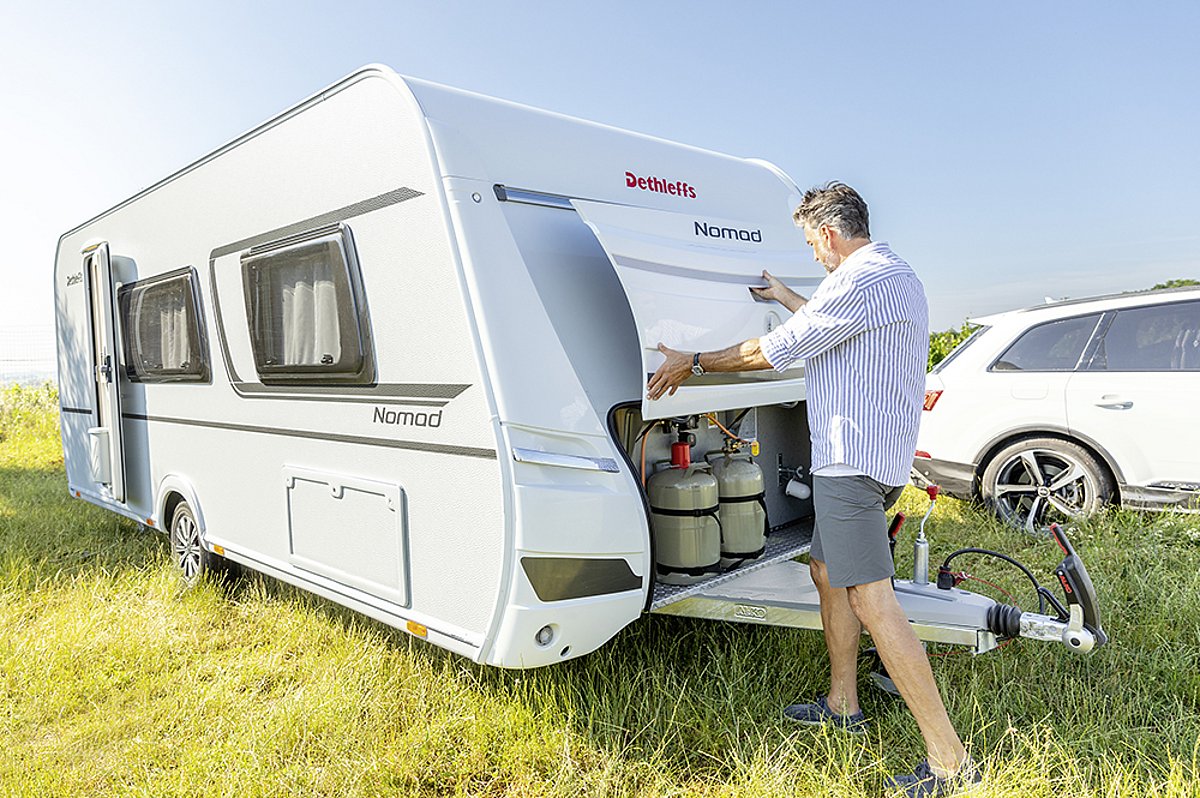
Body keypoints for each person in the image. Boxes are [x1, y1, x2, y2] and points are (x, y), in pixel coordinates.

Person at [647, 182, 980, 796]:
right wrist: (785, 295)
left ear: (828, 232)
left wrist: (691, 361)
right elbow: (830, 323)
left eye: (812, 244)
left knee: (872, 599)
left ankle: (949, 761)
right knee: (827, 574)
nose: (816, 255)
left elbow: (775, 350)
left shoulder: (859, 280)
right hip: (871, 457)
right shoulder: (891, 274)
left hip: (851, 462)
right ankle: (843, 703)